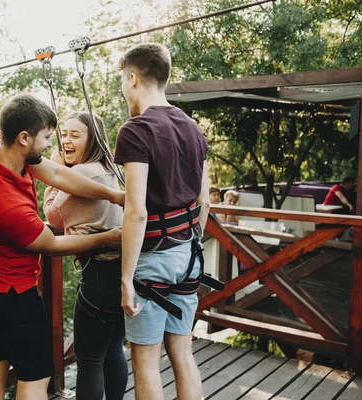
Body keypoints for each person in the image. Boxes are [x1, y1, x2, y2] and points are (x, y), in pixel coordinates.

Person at [0, 94, 124, 400]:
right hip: (10, 294)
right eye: (48, 137)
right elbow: (51, 244)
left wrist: (113, 196)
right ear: (24, 138)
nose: (53, 143)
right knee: (37, 377)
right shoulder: (6, 205)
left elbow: (55, 172)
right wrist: (108, 238)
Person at [114, 43, 210, 400]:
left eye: (124, 80)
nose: (123, 86)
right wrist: (186, 242)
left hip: (152, 262)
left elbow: (136, 211)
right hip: (188, 257)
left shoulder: (136, 130)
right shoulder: (192, 127)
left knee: (146, 363)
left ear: (134, 78)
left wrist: (125, 279)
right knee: (183, 355)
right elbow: (205, 201)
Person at [43, 112, 127, 400]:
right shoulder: (111, 170)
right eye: (63, 134)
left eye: (74, 135)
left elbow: (52, 215)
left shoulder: (80, 173)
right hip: (120, 269)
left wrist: (54, 172)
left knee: (89, 359)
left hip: (98, 274)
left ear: (92, 139)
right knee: (114, 349)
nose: (66, 140)